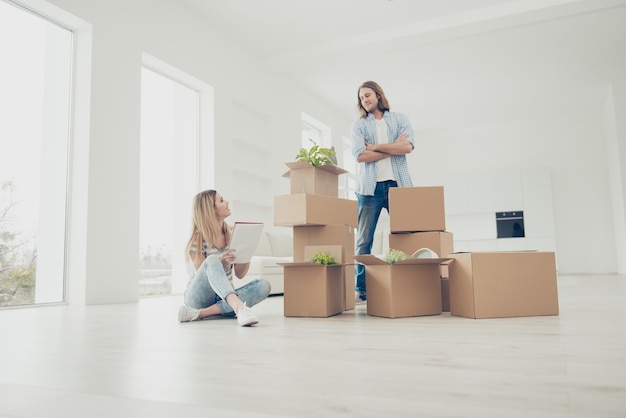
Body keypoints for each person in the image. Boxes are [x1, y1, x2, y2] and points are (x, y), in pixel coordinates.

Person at [351, 81, 415, 303]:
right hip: (369, 189)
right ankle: (362, 289)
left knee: (404, 237)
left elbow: (407, 147)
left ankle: (404, 282)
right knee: (363, 241)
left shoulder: (400, 119)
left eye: (367, 95)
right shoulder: (359, 126)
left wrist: (375, 147)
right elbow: (360, 156)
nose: (364, 100)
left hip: (398, 185)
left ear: (378, 95)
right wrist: (391, 147)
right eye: (361, 98)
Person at [177, 189, 271, 326]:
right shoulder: (197, 241)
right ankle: (238, 308)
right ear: (210, 209)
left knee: (264, 285)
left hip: (224, 297)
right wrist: (220, 262)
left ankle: (201, 314)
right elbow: (202, 275)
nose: (227, 202)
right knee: (212, 260)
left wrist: (247, 252)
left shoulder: (232, 234)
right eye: (221, 200)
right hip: (198, 298)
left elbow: (240, 274)